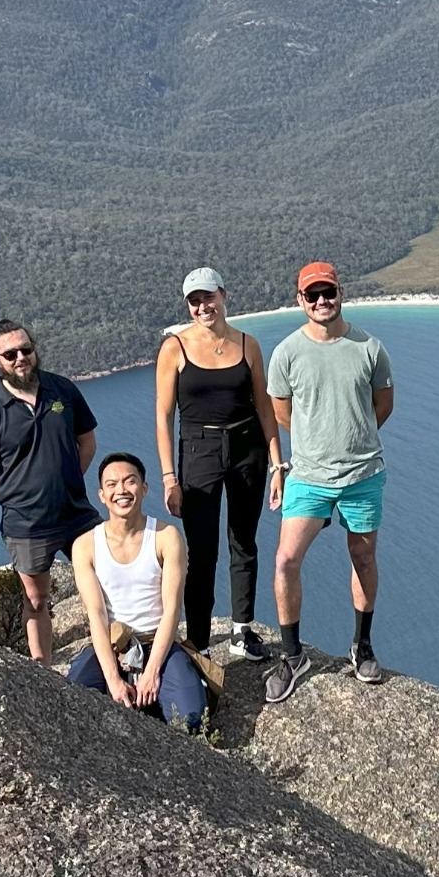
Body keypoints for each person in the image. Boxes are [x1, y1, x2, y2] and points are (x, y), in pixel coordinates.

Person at [261, 260, 394, 703]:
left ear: (341, 293)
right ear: (301, 301)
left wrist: (351, 439)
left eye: (328, 293)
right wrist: (314, 448)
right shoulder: (286, 354)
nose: (322, 301)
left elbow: (383, 406)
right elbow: (282, 414)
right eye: (312, 295)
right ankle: (293, 655)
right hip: (310, 476)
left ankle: (363, 645)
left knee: (364, 557)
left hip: (362, 474)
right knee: (285, 561)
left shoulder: (369, 348)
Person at [153, 265, 281, 661]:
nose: (202, 306)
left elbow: (264, 406)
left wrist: (278, 465)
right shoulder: (175, 347)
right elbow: (163, 415)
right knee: (202, 549)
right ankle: (202, 640)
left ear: (223, 295)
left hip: (248, 448)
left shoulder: (249, 344)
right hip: (199, 449)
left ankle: (243, 631)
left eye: (208, 297)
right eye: (194, 301)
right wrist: (169, 478)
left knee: (244, 541)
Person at [0, 319, 97, 663]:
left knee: (105, 582)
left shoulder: (62, 391)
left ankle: (118, 652)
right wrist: (17, 500)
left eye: (26, 349)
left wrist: (68, 480)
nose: (20, 358)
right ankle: (44, 669)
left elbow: (87, 441)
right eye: (10, 354)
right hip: (27, 526)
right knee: (36, 600)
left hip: (77, 514)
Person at [67, 453, 208, 730]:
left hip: (159, 643)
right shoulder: (85, 545)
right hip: (112, 644)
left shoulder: (166, 537)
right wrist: (113, 679)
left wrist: (152, 671)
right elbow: (96, 615)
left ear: (144, 489)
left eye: (130, 481)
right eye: (112, 484)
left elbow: (172, 610)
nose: (121, 490)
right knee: (73, 706)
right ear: (101, 495)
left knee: (191, 719)